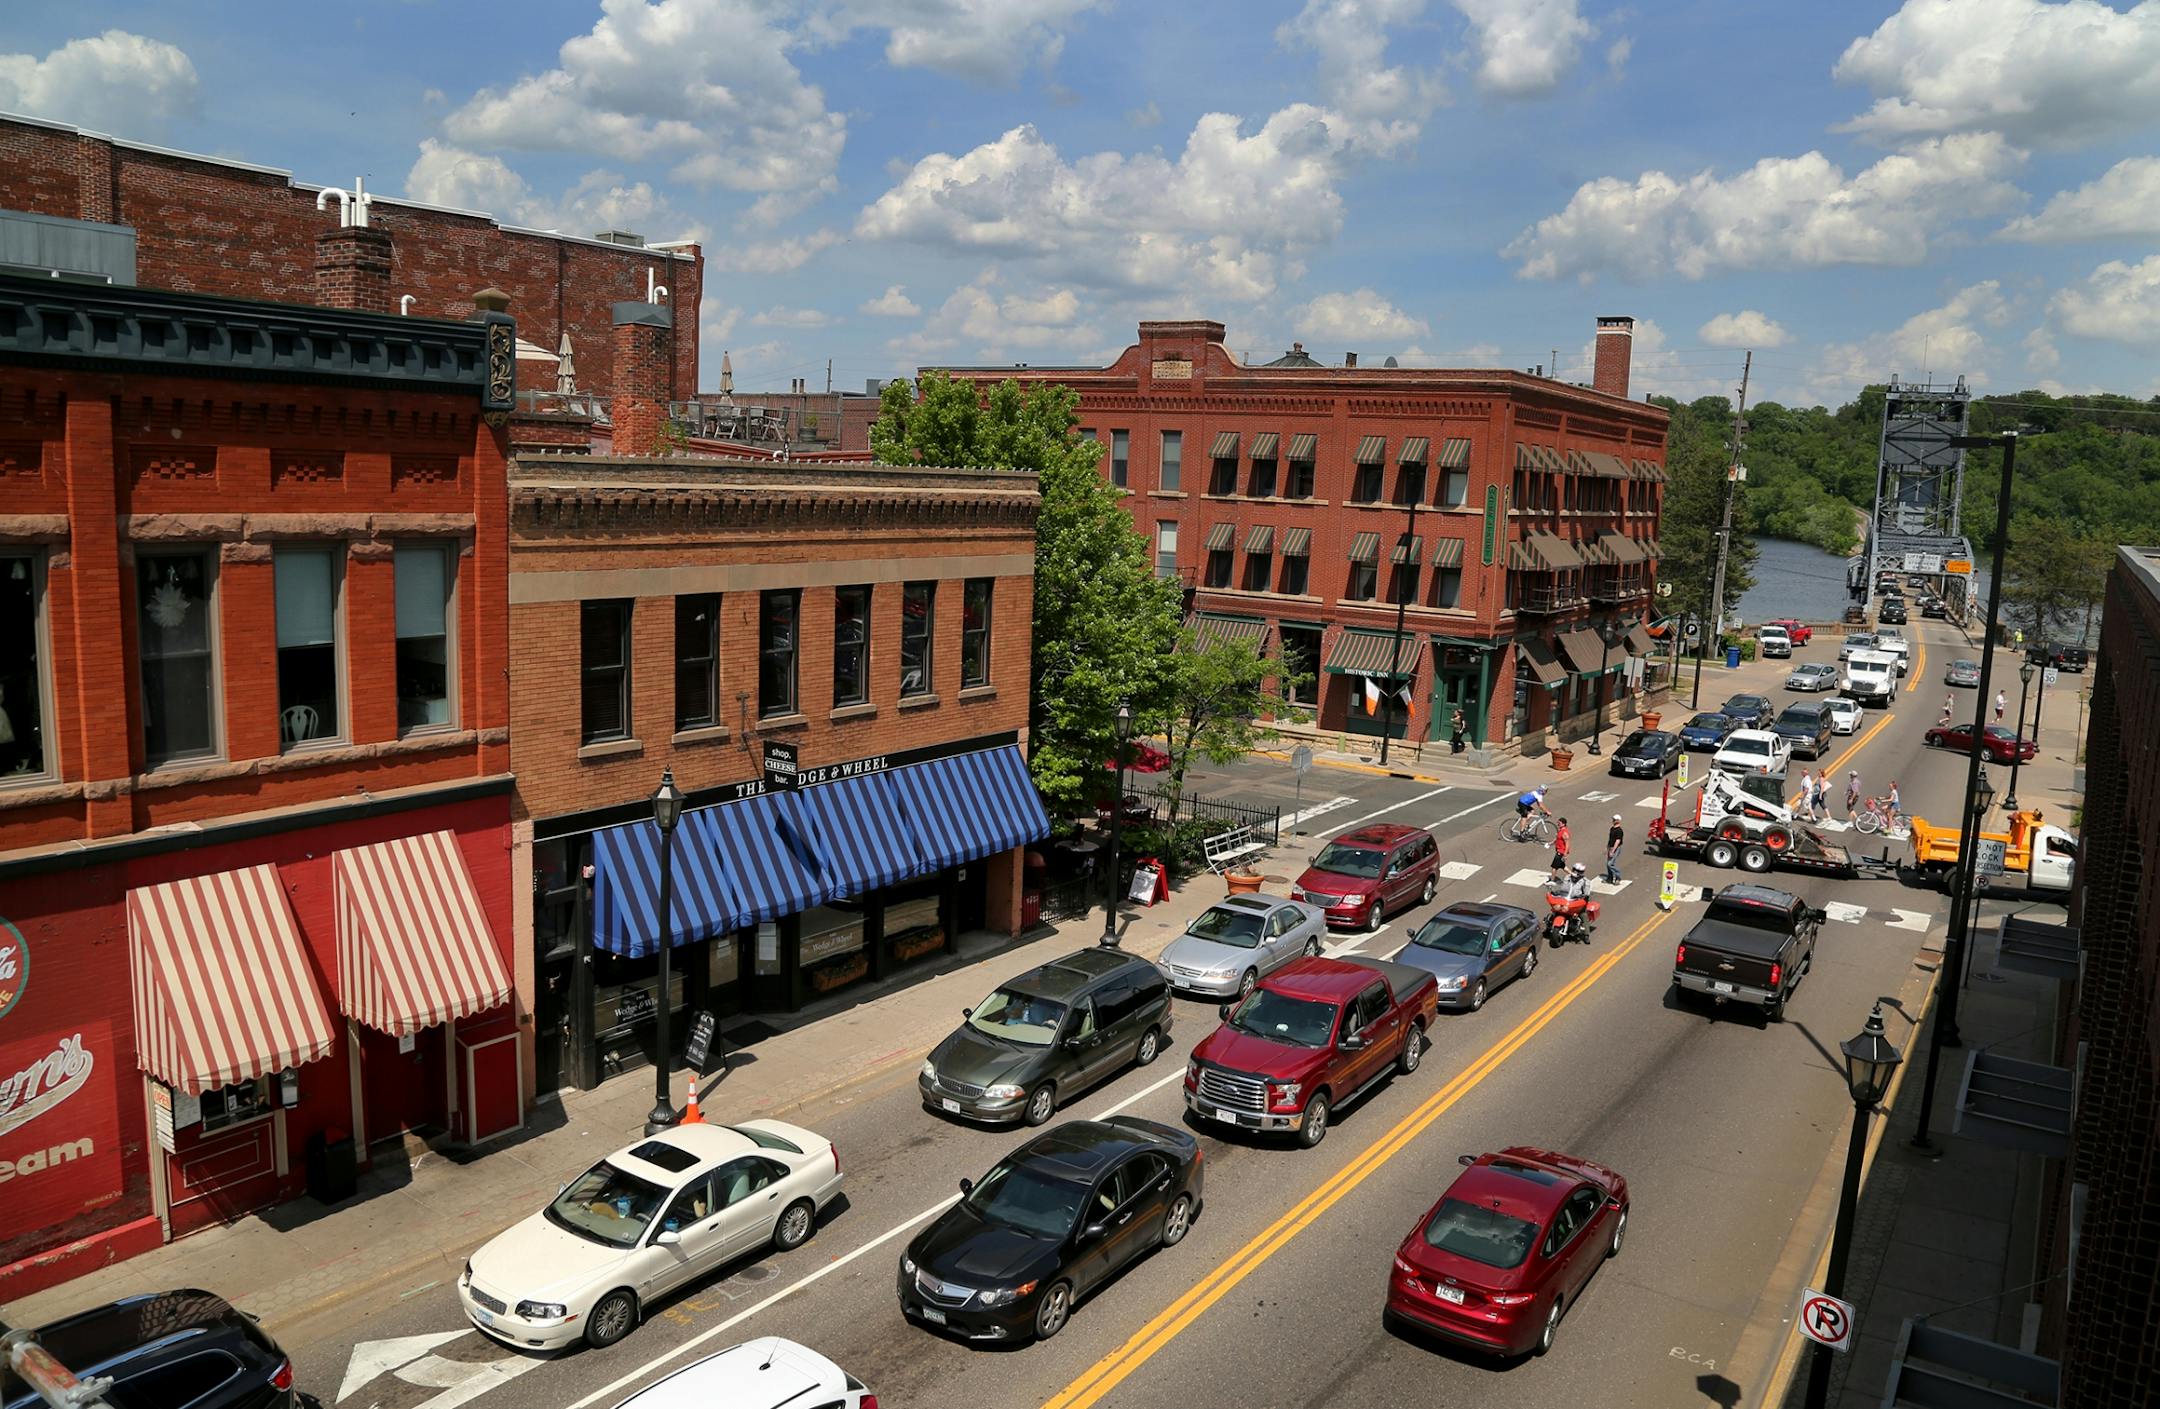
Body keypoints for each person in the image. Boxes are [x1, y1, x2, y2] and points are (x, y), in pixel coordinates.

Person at [1605, 814, 1624, 884]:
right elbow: (1610, 839)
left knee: (1610, 864)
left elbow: (1617, 841)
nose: (1612, 820)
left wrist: (1612, 851)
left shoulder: (1619, 831)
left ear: (1618, 821)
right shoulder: (1612, 828)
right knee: (1608, 864)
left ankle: (1618, 877)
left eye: (1614, 819)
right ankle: (1610, 878)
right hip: (1610, 847)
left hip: (1616, 848)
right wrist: (1607, 847)